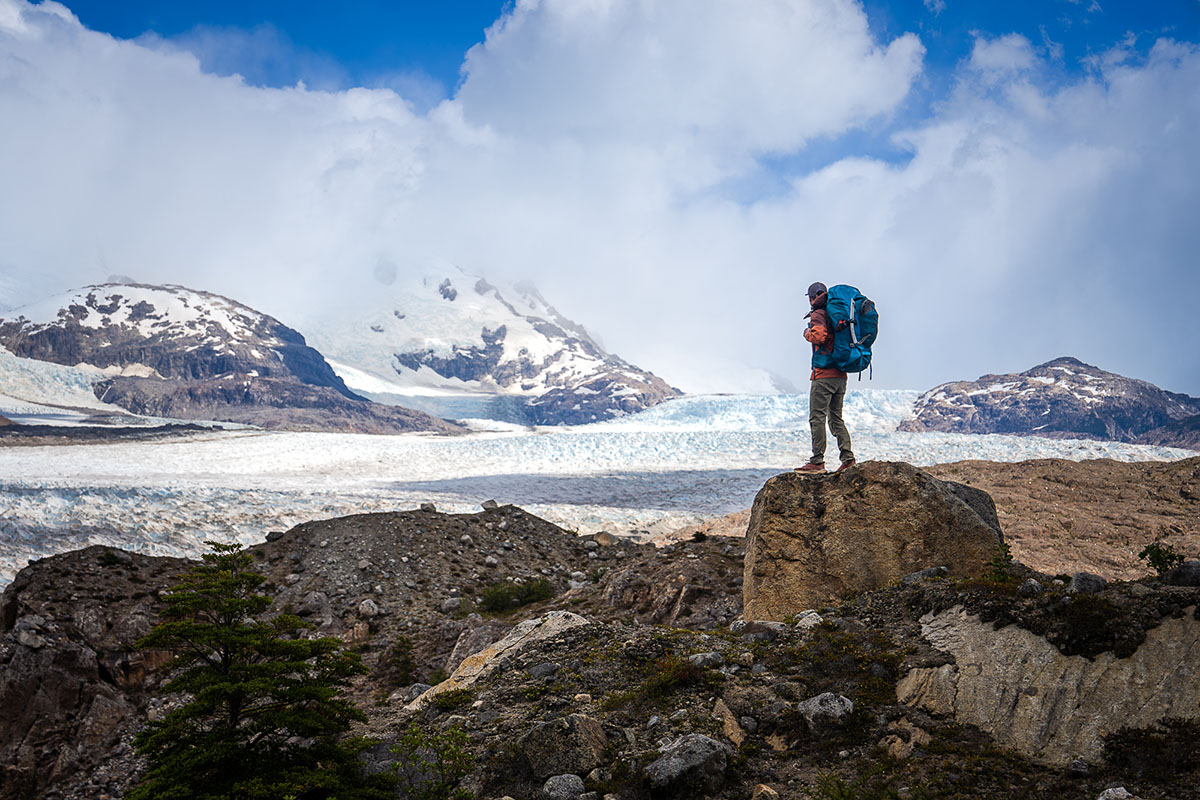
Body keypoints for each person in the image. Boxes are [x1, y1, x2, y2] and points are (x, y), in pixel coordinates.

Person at [797, 282, 856, 473]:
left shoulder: (819, 314)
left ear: (812, 297)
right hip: (840, 375)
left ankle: (817, 461)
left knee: (817, 417)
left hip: (823, 375)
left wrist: (807, 333)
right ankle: (848, 459)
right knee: (836, 418)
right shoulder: (836, 314)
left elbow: (819, 337)